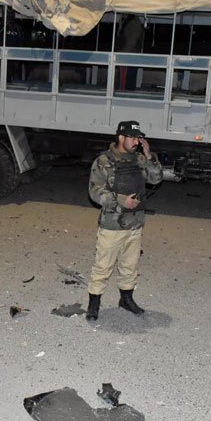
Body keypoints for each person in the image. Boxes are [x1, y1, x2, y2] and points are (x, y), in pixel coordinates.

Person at [86, 120, 163, 321]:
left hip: (135, 223)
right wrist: (121, 201)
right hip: (112, 225)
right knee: (103, 266)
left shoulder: (139, 160)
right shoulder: (104, 161)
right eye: (133, 137)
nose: (137, 141)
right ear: (121, 137)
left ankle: (126, 300)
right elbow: (94, 192)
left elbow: (156, 179)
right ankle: (94, 305)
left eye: (139, 137)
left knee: (130, 265)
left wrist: (149, 157)